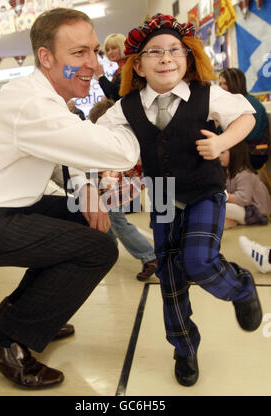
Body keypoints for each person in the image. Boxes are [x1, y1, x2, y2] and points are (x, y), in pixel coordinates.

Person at [0, 8, 140, 389]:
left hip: (0, 203)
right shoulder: (33, 105)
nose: (94, 65)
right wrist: (132, 108)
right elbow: (122, 154)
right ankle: (3, 340)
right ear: (46, 58)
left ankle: (25, 311)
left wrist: (85, 192)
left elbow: (63, 153)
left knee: (87, 222)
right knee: (97, 250)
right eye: (79, 53)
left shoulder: (39, 96)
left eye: (94, 51)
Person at [96, 13, 261, 387]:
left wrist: (221, 143)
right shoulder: (126, 105)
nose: (166, 57)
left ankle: (241, 287)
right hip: (164, 197)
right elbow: (99, 138)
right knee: (169, 277)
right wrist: (109, 170)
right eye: (155, 52)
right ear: (137, 63)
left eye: (175, 50)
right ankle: (184, 349)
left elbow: (246, 116)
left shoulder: (206, 93)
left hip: (204, 189)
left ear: (188, 58)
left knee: (200, 262)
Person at [89, 98, 157, 281]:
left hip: (117, 187)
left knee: (117, 222)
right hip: (119, 185)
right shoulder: (124, 134)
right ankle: (109, 252)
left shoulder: (113, 139)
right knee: (109, 221)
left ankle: (149, 256)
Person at [219, 68, 270, 171]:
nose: (221, 88)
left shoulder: (252, 103)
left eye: (225, 83)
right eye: (220, 84)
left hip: (255, 153)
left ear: (235, 83)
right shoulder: (229, 103)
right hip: (238, 150)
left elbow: (249, 135)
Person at [219, 140, 271, 229]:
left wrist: (224, 195)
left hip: (257, 214)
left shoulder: (244, 173)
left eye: (222, 152)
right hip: (245, 209)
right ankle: (231, 222)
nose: (218, 156)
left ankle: (231, 221)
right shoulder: (228, 173)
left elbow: (244, 199)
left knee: (221, 208)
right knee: (217, 210)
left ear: (235, 154)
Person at [94, 33, 126, 102]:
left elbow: (116, 94)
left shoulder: (127, 68)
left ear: (122, 47)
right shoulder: (120, 69)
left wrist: (101, 77)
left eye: (114, 48)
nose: (110, 53)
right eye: (108, 50)